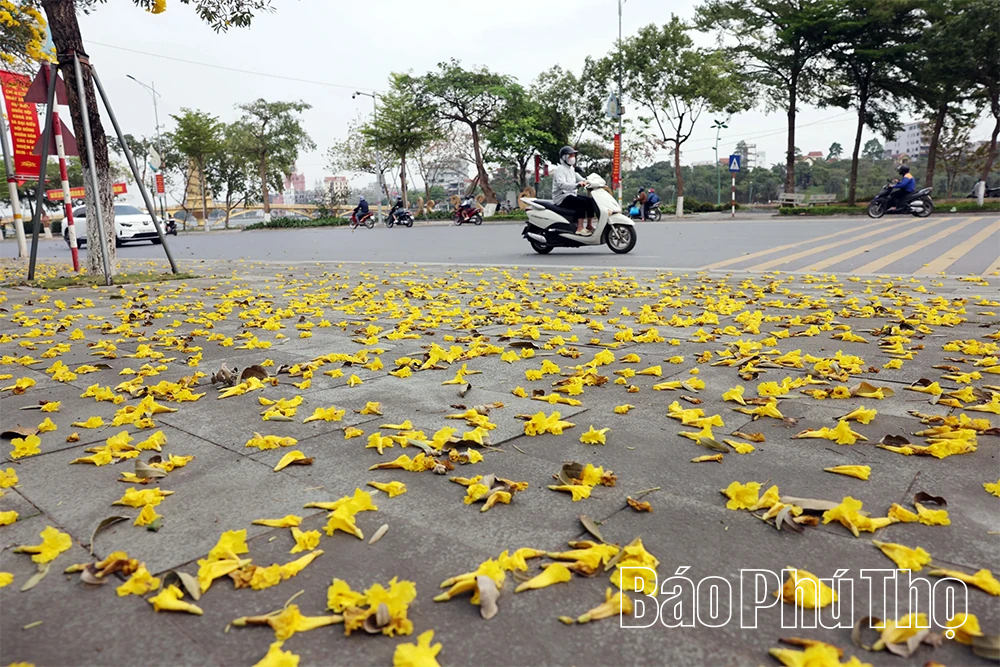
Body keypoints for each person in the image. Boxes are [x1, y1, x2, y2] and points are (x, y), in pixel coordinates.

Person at [552, 146, 595, 234]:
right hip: (561, 197)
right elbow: (562, 185)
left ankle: (589, 225)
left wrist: (589, 181)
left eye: (573, 155)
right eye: (570, 155)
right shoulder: (560, 170)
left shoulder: (571, 169)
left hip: (571, 195)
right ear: (564, 157)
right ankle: (579, 228)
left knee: (590, 201)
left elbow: (580, 178)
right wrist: (577, 185)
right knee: (581, 202)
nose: (573, 158)